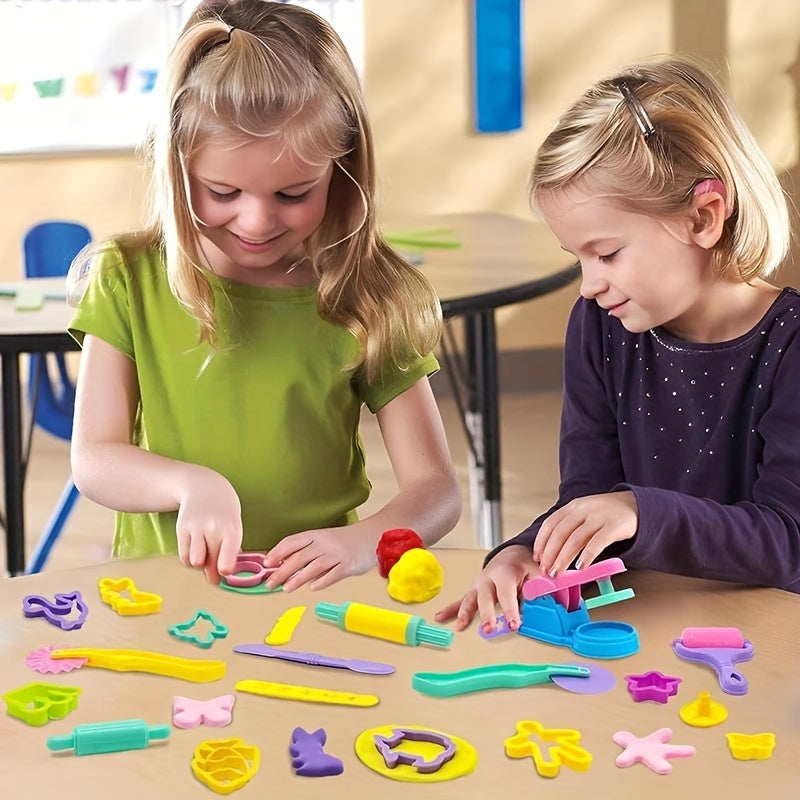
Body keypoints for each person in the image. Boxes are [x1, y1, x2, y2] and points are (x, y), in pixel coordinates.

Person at [67, 0, 461, 590]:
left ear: (342, 167)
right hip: (165, 596)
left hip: (315, 595)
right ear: (178, 167)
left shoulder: (369, 293)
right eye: (222, 191)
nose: (255, 222)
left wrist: (363, 543)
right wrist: (190, 484)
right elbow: (94, 458)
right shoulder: (128, 277)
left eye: (294, 192)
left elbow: (436, 490)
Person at [437, 56, 800, 634]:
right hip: (648, 629)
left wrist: (637, 510)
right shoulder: (601, 325)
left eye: (606, 253)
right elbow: (586, 495)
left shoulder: (790, 347)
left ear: (704, 218)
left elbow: (788, 541)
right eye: (576, 257)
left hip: (767, 642)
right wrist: (525, 552)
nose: (589, 283)